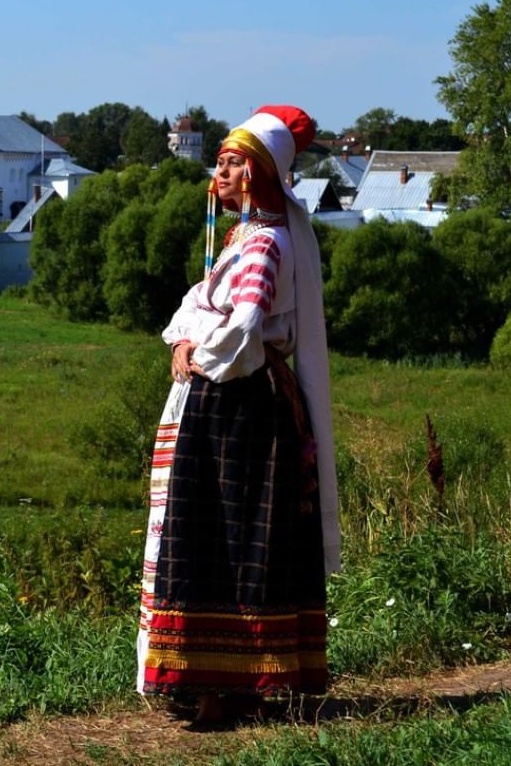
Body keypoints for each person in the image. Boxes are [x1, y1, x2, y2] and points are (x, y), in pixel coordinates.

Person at [135, 105, 339, 725]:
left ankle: (222, 686)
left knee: (227, 536)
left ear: (255, 173)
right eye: (220, 162)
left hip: (241, 410)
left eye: (229, 164)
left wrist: (200, 350)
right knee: (209, 537)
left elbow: (245, 323)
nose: (217, 173)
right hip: (223, 403)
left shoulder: (266, 244)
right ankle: (211, 680)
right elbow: (197, 302)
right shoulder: (242, 241)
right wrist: (184, 339)